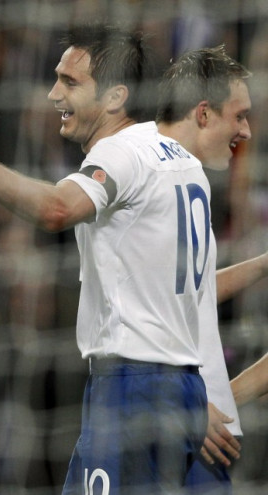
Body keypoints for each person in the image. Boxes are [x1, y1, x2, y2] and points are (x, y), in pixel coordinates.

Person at [0, 24, 212, 493]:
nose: (53, 93)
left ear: (116, 96)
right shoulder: (184, 161)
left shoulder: (121, 154)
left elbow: (58, 209)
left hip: (132, 385)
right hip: (182, 387)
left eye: (70, 82)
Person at [154, 45, 253, 494]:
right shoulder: (154, 175)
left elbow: (186, 294)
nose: (247, 130)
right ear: (203, 113)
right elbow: (158, 304)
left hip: (203, 434)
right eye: (240, 116)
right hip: (160, 419)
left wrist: (214, 402)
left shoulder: (190, 183)